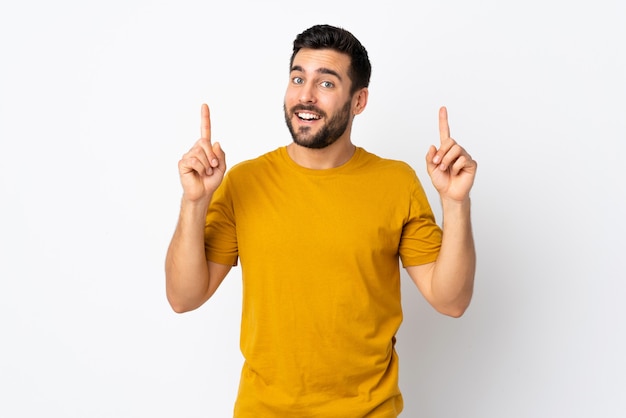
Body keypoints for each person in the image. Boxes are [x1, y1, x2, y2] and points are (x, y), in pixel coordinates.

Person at [165, 24, 477, 418]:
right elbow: (182, 297)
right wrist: (195, 203)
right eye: (298, 78)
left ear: (359, 100)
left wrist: (455, 204)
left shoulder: (397, 183)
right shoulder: (244, 183)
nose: (305, 96)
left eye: (326, 83)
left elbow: (451, 301)